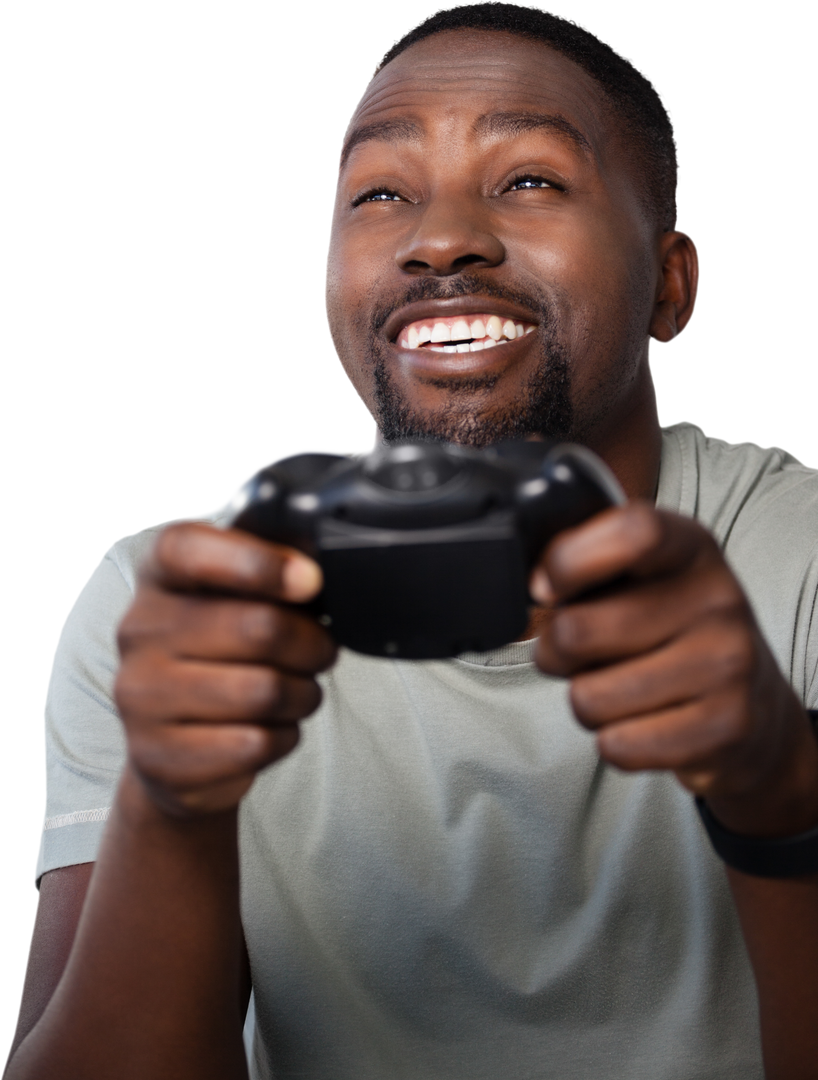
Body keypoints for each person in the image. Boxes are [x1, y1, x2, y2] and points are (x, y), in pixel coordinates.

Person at [5, 5, 817, 1079]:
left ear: (669, 284)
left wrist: (778, 791)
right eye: (379, 193)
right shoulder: (166, 598)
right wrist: (170, 798)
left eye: (528, 179)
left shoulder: (799, 549)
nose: (439, 239)